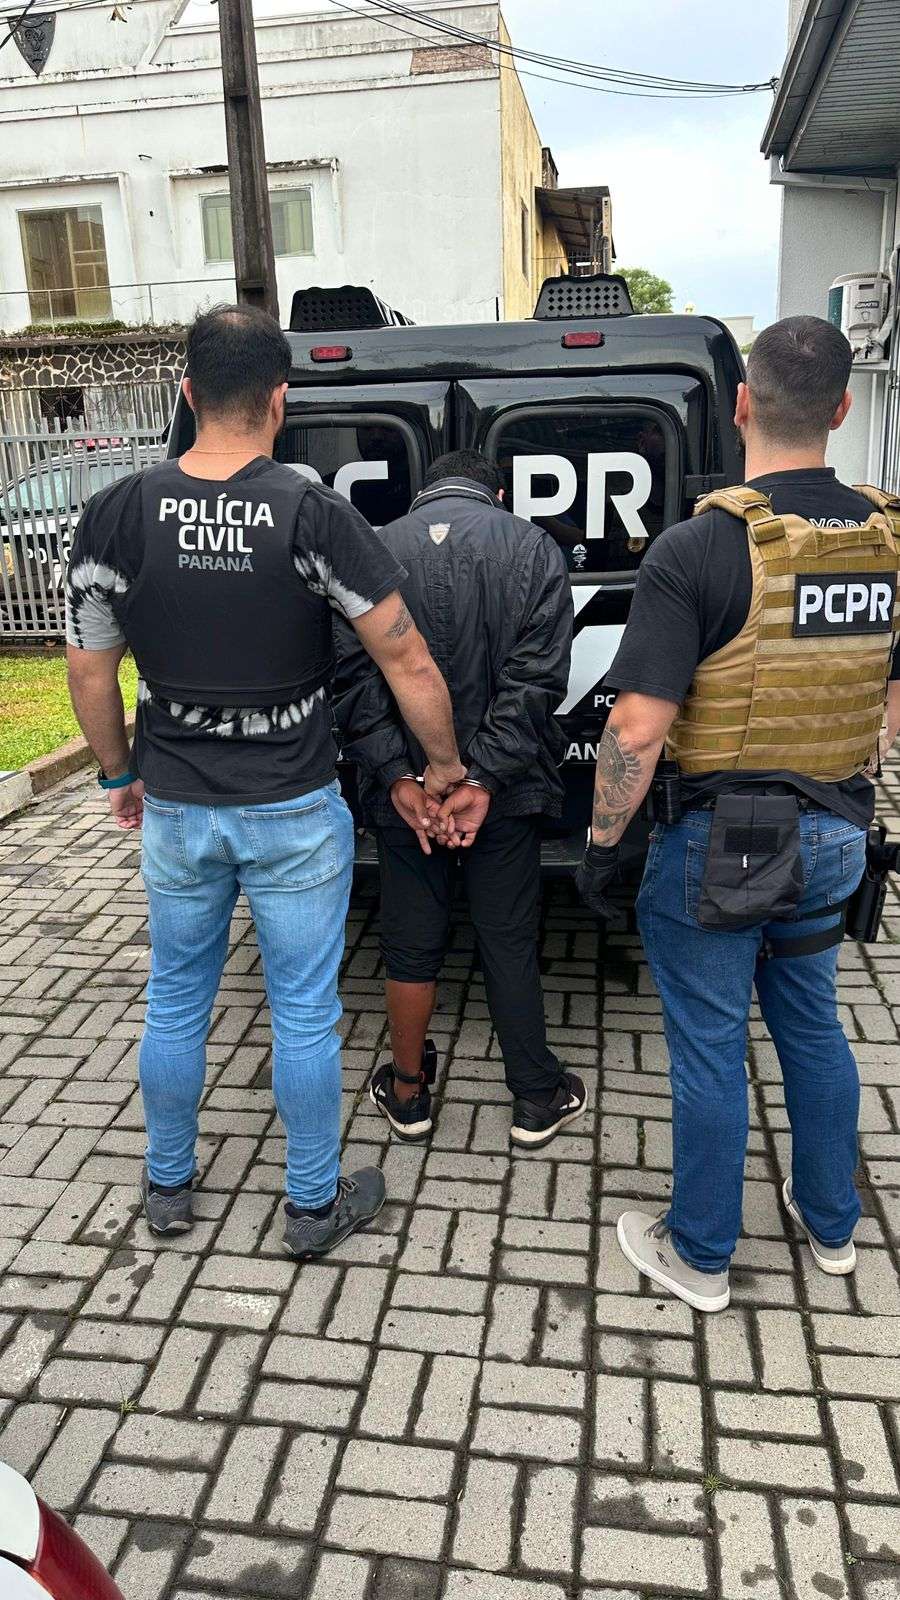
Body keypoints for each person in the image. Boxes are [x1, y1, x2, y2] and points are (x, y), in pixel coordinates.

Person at [65, 305, 465, 1258]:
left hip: (178, 804)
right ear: (280, 400)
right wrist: (446, 766)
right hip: (292, 807)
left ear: (187, 392)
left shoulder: (115, 513)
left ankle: (168, 1187)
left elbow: (87, 668)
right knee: (303, 1013)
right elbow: (407, 659)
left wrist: (118, 773)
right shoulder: (312, 512)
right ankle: (312, 1206)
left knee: (175, 999)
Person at [577, 315, 900, 1312]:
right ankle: (832, 1226)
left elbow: (636, 729)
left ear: (743, 404)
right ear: (842, 409)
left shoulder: (702, 546)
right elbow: (889, 702)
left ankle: (702, 1254)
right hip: (838, 828)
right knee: (813, 1024)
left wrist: (603, 843)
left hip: (724, 844)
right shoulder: (889, 537)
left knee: (713, 1044)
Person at [334, 448, 584, 1150]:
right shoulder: (533, 548)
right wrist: (481, 779)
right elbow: (537, 681)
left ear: (423, 493)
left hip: (405, 797)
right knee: (508, 937)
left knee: (409, 942)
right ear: (497, 495)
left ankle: (408, 1093)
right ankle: (535, 1096)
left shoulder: (370, 550)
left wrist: (401, 776)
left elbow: (352, 681)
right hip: (501, 795)